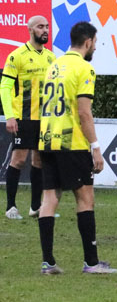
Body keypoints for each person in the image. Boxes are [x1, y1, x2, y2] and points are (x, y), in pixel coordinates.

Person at [35, 21, 117, 274]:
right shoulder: (84, 69)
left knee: (49, 199)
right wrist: (95, 147)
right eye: (95, 42)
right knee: (85, 199)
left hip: (48, 140)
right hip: (72, 143)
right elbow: (84, 112)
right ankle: (91, 264)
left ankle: (48, 263)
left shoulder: (54, 66)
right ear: (88, 41)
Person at [2, 15, 54, 220]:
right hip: (23, 118)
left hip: (45, 118)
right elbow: (5, 87)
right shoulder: (17, 56)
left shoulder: (51, 57)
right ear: (30, 30)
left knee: (40, 160)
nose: (45, 30)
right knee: (18, 158)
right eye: (40, 27)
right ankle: (11, 207)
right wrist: (10, 116)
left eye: (47, 27)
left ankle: (35, 207)